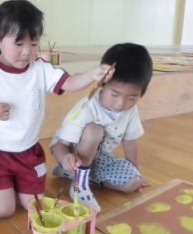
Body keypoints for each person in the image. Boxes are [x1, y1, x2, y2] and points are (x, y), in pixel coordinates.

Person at [0, 0, 114, 218]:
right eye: (19, 44)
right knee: (3, 210)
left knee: (35, 206)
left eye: (33, 44)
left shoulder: (40, 69)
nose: (26, 52)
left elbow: (69, 83)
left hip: (28, 152)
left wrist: (92, 74)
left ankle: (6, 184)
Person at [50, 43, 153, 212]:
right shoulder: (87, 107)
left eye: (132, 98)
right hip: (72, 152)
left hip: (98, 156)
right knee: (94, 130)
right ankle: (77, 182)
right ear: (102, 84)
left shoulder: (130, 110)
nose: (121, 104)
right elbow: (60, 146)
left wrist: (136, 172)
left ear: (141, 94)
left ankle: (75, 174)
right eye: (115, 94)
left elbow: (130, 141)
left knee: (131, 184)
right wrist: (65, 159)